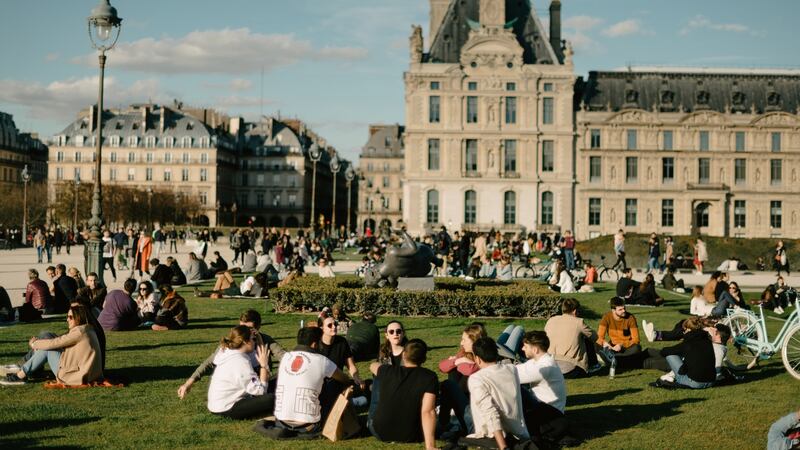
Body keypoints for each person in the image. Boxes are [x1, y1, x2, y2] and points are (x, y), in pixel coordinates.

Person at [178, 310, 285, 399]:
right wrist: (188, 383)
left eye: (249, 329)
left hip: (260, 381)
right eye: (242, 327)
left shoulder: (265, 340)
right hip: (242, 386)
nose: (245, 332)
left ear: (258, 327)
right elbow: (209, 363)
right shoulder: (233, 342)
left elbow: (283, 356)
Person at [273, 326, 351, 438]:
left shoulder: (285, 358)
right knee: (333, 383)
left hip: (281, 421)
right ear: (315, 344)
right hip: (308, 426)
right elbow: (344, 379)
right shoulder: (321, 360)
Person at [1, 305, 103, 386]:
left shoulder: (80, 332)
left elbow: (55, 343)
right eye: (67, 317)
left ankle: (21, 375)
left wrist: (34, 344)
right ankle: (25, 372)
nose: (67, 319)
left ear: (78, 317)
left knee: (48, 349)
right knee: (47, 345)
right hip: (87, 373)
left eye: (70, 317)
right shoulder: (87, 329)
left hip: (78, 375)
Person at [368, 339, 438, 448]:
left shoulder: (388, 371)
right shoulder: (429, 377)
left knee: (378, 379)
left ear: (404, 355)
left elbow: (372, 366)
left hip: (380, 432)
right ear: (424, 358)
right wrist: (430, 446)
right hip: (413, 434)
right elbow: (428, 411)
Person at [463, 337, 529, 449]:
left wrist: (503, 446)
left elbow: (491, 413)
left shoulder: (477, 378)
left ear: (477, 359)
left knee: (460, 399)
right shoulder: (511, 369)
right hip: (518, 430)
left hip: (491, 434)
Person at [207, 325, 274, 419]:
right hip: (226, 408)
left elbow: (261, 353)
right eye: (253, 339)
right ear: (245, 342)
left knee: (276, 380)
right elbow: (260, 391)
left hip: (220, 403)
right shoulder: (240, 361)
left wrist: (259, 337)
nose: (254, 342)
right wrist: (264, 366)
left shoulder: (231, 352)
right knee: (271, 399)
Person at [516, 331, 569, 443]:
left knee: (517, 390)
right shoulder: (538, 361)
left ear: (535, 349)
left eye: (525, 346)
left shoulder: (545, 367)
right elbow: (517, 369)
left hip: (550, 416)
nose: (522, 349)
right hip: (542, 408)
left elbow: (513, 377)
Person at [438, 323, 486, 435]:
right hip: (464, 400)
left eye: (464, 340)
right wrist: (459, 361)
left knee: (452, 379)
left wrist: (457, 362)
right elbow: (442, 366)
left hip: (474, 406)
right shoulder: (464, 353)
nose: (461, 343)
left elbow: (469, 370)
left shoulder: (485, 356)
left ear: (474, 341)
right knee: (453, 373)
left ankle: (443, 422)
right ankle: (445, 421)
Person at [544, 298, 600, 378]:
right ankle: (594, 365)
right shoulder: (578, 322)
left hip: (550, 365)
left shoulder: (551, 320)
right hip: (570, 368)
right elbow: (594, 337)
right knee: (587, 338)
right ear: (575, 311)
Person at [596, 297, 645, 370]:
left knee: (637, 348)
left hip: (627, 347)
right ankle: (618, 360)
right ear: (613, 310)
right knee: (596, 345)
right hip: (613, 347)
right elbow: (599, 337)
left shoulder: (630, 318)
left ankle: (614, 360)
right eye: (620, 309)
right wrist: (604, 343)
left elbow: (636, 340)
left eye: (624, 308)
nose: (624, 311)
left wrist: (621, 345)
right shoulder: (606, 317)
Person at [317, 315, 364, 389]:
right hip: (320, 383)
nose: (334, 327)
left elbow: (351, 365)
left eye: (335, 324)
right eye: (330, 325)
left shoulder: (342, 342)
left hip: (338, 381)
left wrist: (356, 377)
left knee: (366, 385)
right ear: (321, 328)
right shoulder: (315, 344)